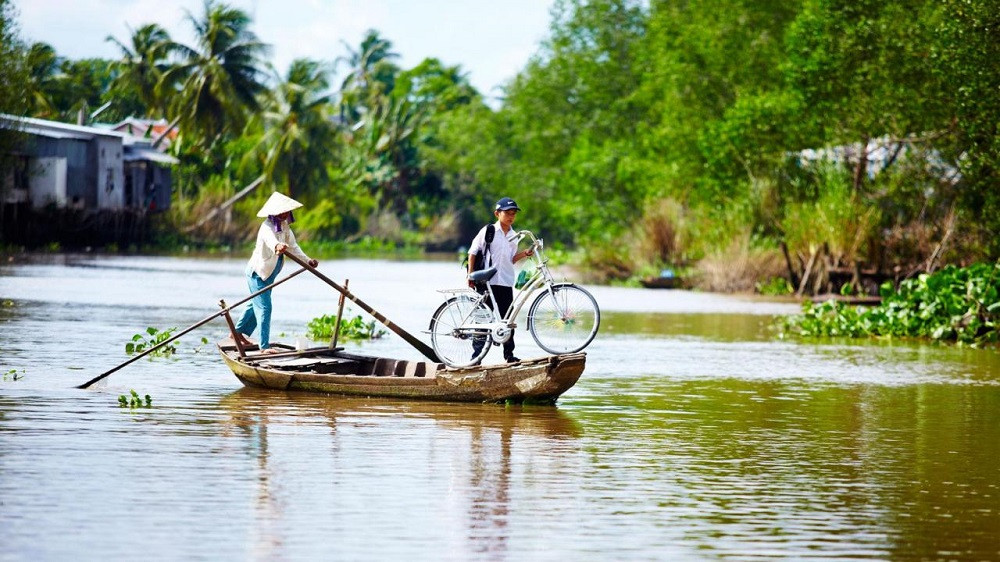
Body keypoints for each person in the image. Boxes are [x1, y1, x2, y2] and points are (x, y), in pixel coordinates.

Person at [235, 191, 318, 355]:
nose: (285, 213)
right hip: (258, 274)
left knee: (255, 304)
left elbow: (294, 248)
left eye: (287, 211)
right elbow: (271, 241)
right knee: (265, 307)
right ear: (275, 212)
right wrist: (277, 247)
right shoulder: (267, 227)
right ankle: (264, 347)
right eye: (282, 211)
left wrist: (308, 261)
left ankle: (236, 333)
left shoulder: (285, 228)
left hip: (269, 274)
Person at [467, 196, 535, 363]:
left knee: (508, 320)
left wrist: (524, 254)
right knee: (482, 320)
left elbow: (511, 258)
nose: (511, 216)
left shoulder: (513, 235)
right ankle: (475, 358)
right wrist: (470, 275)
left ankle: (509, 355)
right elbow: (473, 252)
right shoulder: (488, 231)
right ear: (497, 214)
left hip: (505, 281)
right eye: (507, 213)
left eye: (513, 213)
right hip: (487, 282)